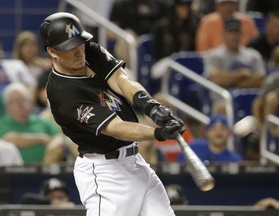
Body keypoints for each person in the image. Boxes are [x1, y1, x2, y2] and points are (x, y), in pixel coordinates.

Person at [39, 12, 185, 216]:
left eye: (79, 43)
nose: (78, 51)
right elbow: (116, 128)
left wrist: (151, 107)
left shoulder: (89, 51)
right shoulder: (62, 94)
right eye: (69, 48)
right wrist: (157, 134)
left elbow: (121, 80)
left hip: (135, 162)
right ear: (52, 51)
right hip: (106, 173)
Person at [203, 16, 265, 113]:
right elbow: (215, 78)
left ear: (241, 34)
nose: (234, 36)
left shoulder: (253, 54)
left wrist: (233, 83)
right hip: (224, 100)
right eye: (230, 32)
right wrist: (241, 74)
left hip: (251, 99)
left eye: (237, 32)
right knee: (223, 108)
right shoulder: (213, 55)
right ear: (223, 34)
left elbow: (261, 79)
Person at [0, 82, 66, 164]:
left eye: (23, 100)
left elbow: (58, 137)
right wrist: (40, 139)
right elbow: (9, 139)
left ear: (29, 103)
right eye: (15, 101)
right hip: (14, 172)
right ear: (7, 106)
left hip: (45, 168)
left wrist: (54, 146)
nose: (20, 104)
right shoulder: (2, 124)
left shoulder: (42, 121)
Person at [177, 114, 243, 163]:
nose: (218, 132)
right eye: (214, 129)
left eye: (222, 129)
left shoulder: (235, 160)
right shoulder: (192, 149)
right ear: (207, 132)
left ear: (229, 133)